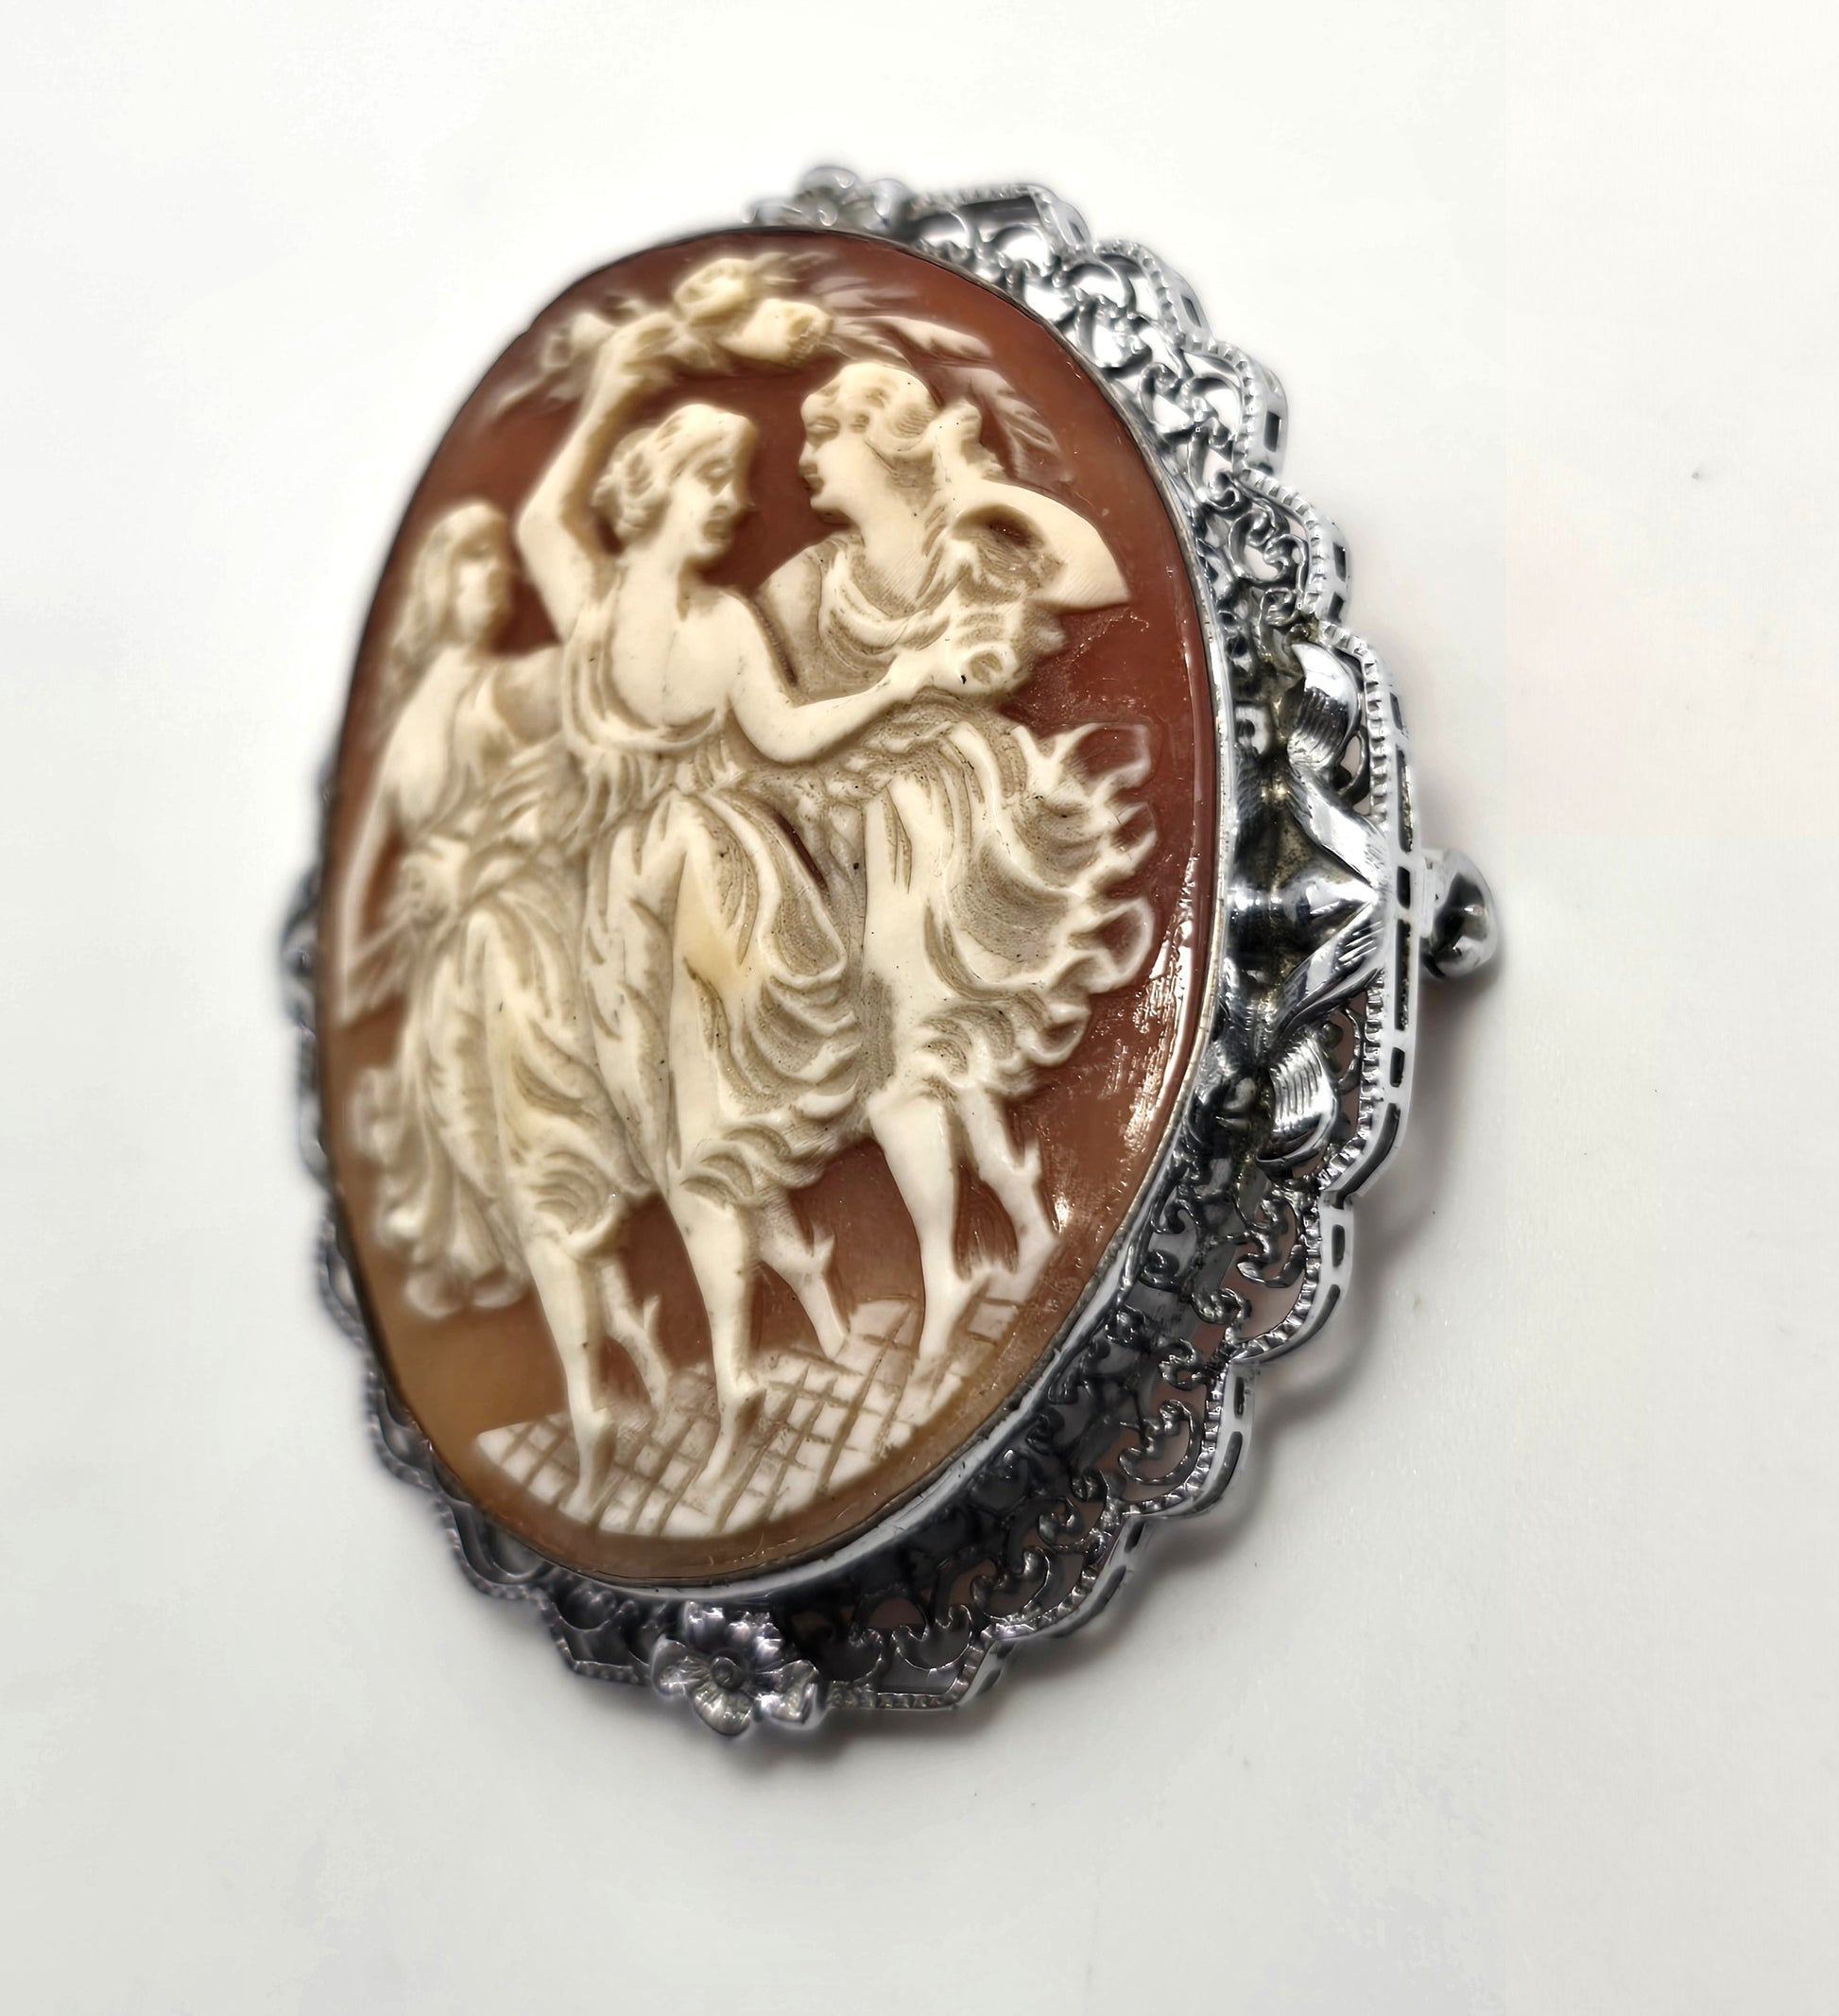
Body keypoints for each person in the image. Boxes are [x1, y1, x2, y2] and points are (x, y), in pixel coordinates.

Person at [515, 373, 957, 1463]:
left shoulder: (674, 619)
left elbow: (789, 732)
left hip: (695, 889)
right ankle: (738, 1370)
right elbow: (538, 523)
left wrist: (900, 685)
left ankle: (736, 1371)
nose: (735, 504)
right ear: (657, 484)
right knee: (676, 1134)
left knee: (700, 1141)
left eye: (733, 482)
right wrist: (612, 389)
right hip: (655, 892)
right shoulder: (618, 612)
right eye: (712, 479)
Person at [761, 362, 1155, 1364]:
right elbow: (767, 723)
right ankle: (1020, 1227)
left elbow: (1102, 577)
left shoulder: (967, 546)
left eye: (827, 435)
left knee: (907, 1065)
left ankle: (949, 1274)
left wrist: (977, 487)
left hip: (965, 812)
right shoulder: (806, 585)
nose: (805, 460)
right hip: (867, 836)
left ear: (884, 442)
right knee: (928, 1051)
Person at [334, 501, 667, 1514]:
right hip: (490, 963)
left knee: (548, 1177)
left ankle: (606, 1390)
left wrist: (451, 877)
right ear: (439, 592)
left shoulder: (458, 710)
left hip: (494, 954)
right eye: (476, 571)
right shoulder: (475, 703)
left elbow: (601, 724)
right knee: (539, 1180)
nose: (495, 587)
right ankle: (614, 1383)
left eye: (497, 570)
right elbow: (352, 919)